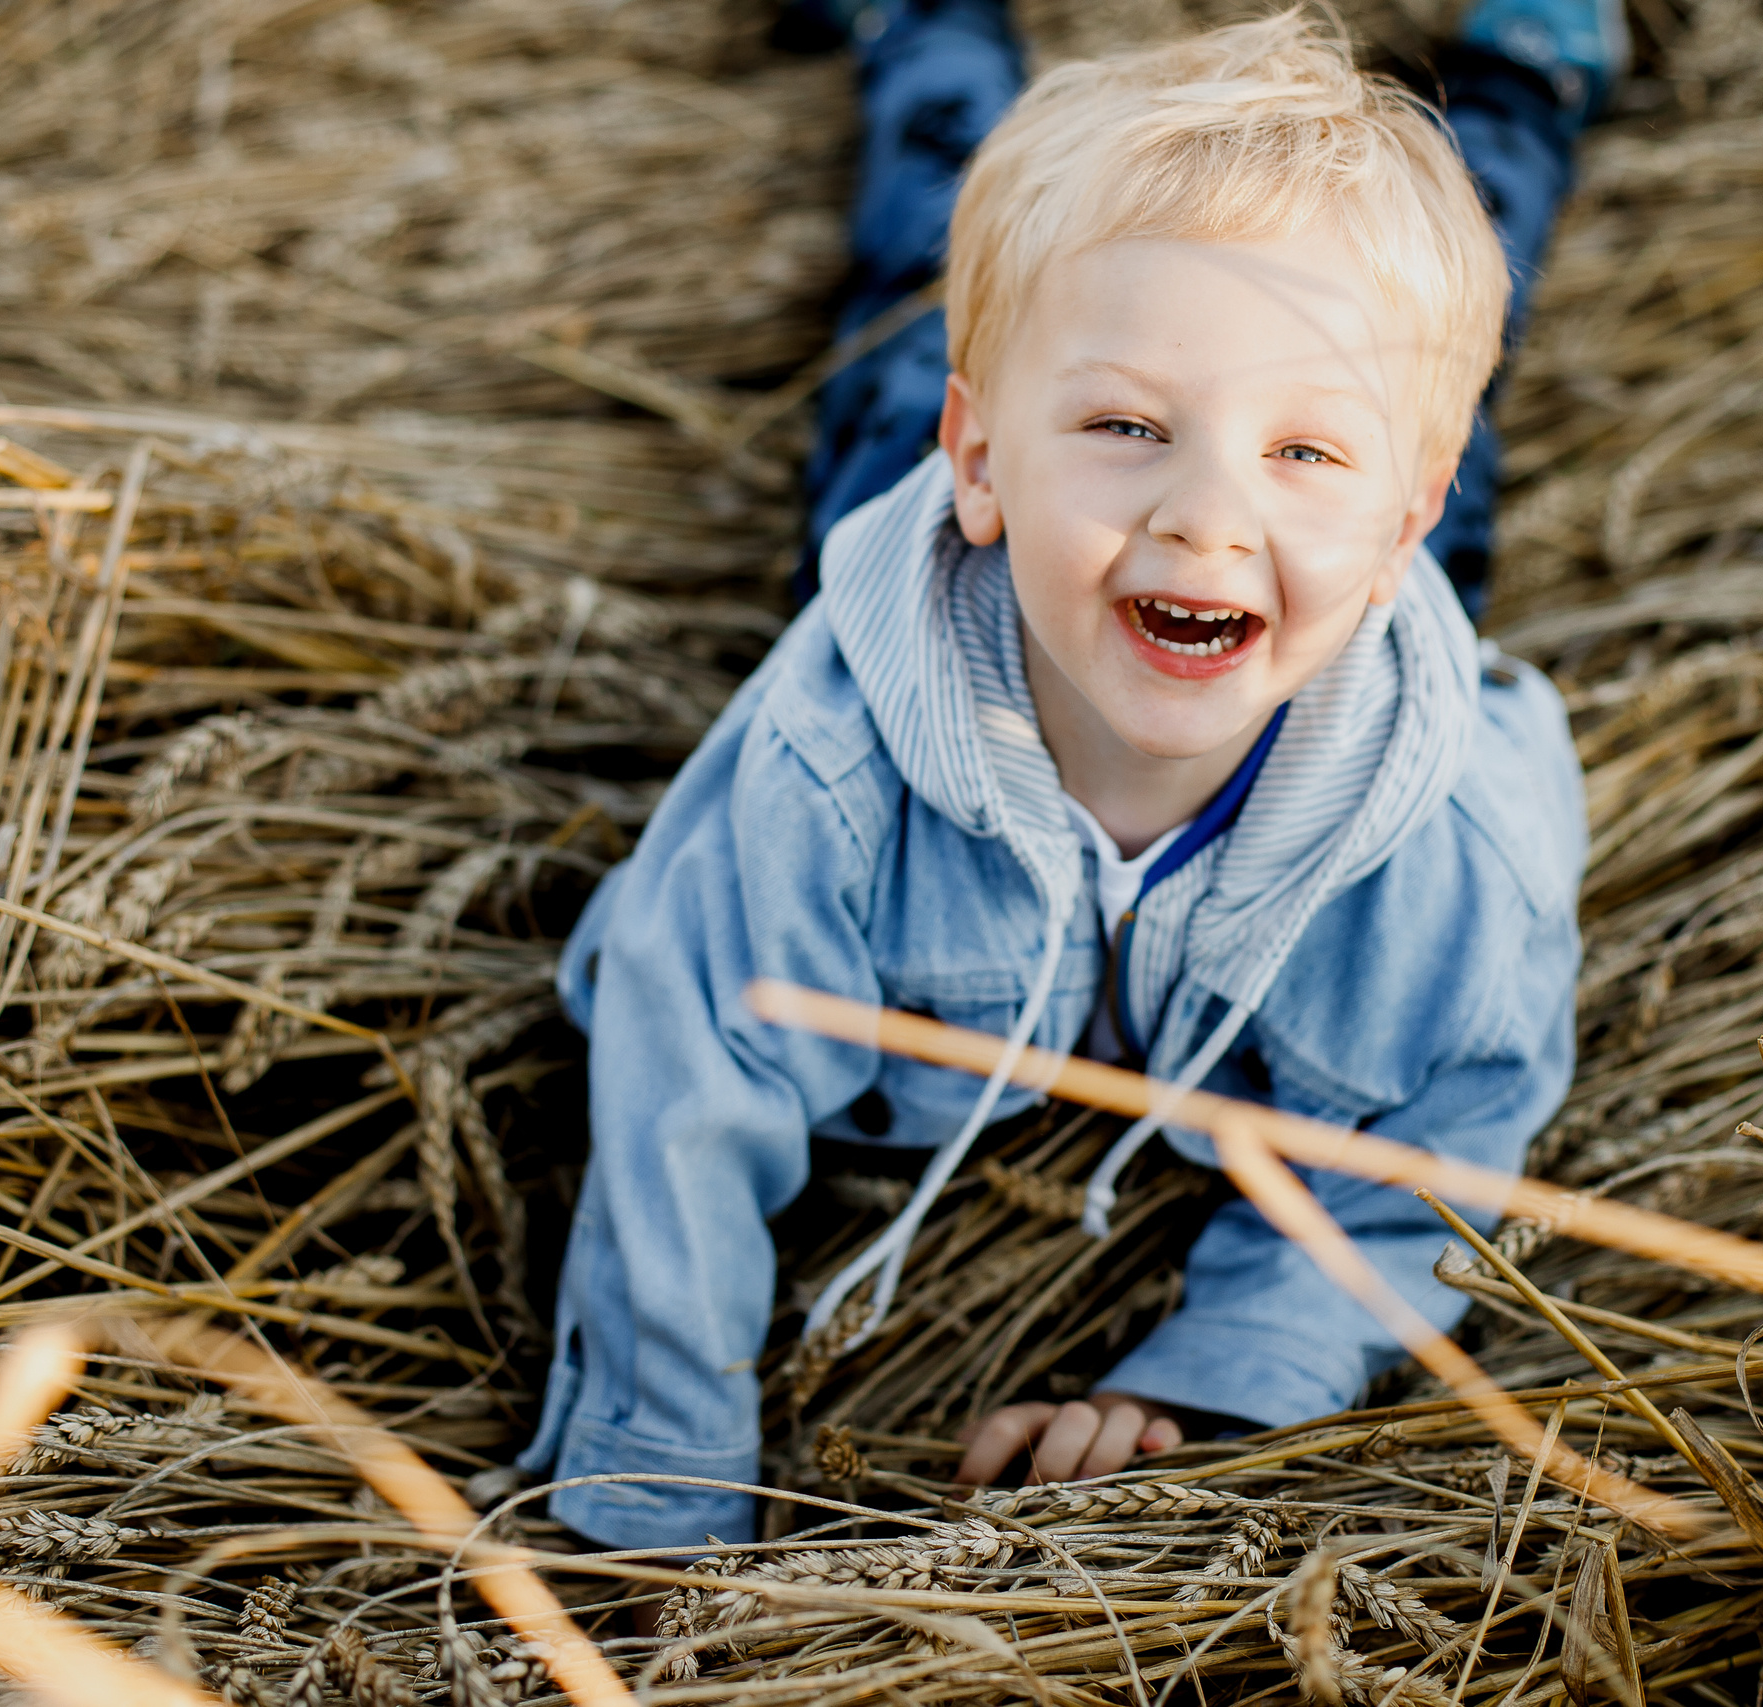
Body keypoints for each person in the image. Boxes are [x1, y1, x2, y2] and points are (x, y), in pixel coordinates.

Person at [514, 2, 1614, 1555]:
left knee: (1445, 307)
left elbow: (1426, 1162)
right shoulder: (832, 769)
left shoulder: (1439, 862)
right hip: (988, 573)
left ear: (1396, 526)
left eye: (1300, 454)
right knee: (930, 297)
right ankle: (929, 34)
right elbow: (681, 1080)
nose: (1206, 516)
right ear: (983, 466)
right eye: (1130, 424)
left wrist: (1225, 1387)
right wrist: (659, 1489)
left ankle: (1524, 76)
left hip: (1329, 611)